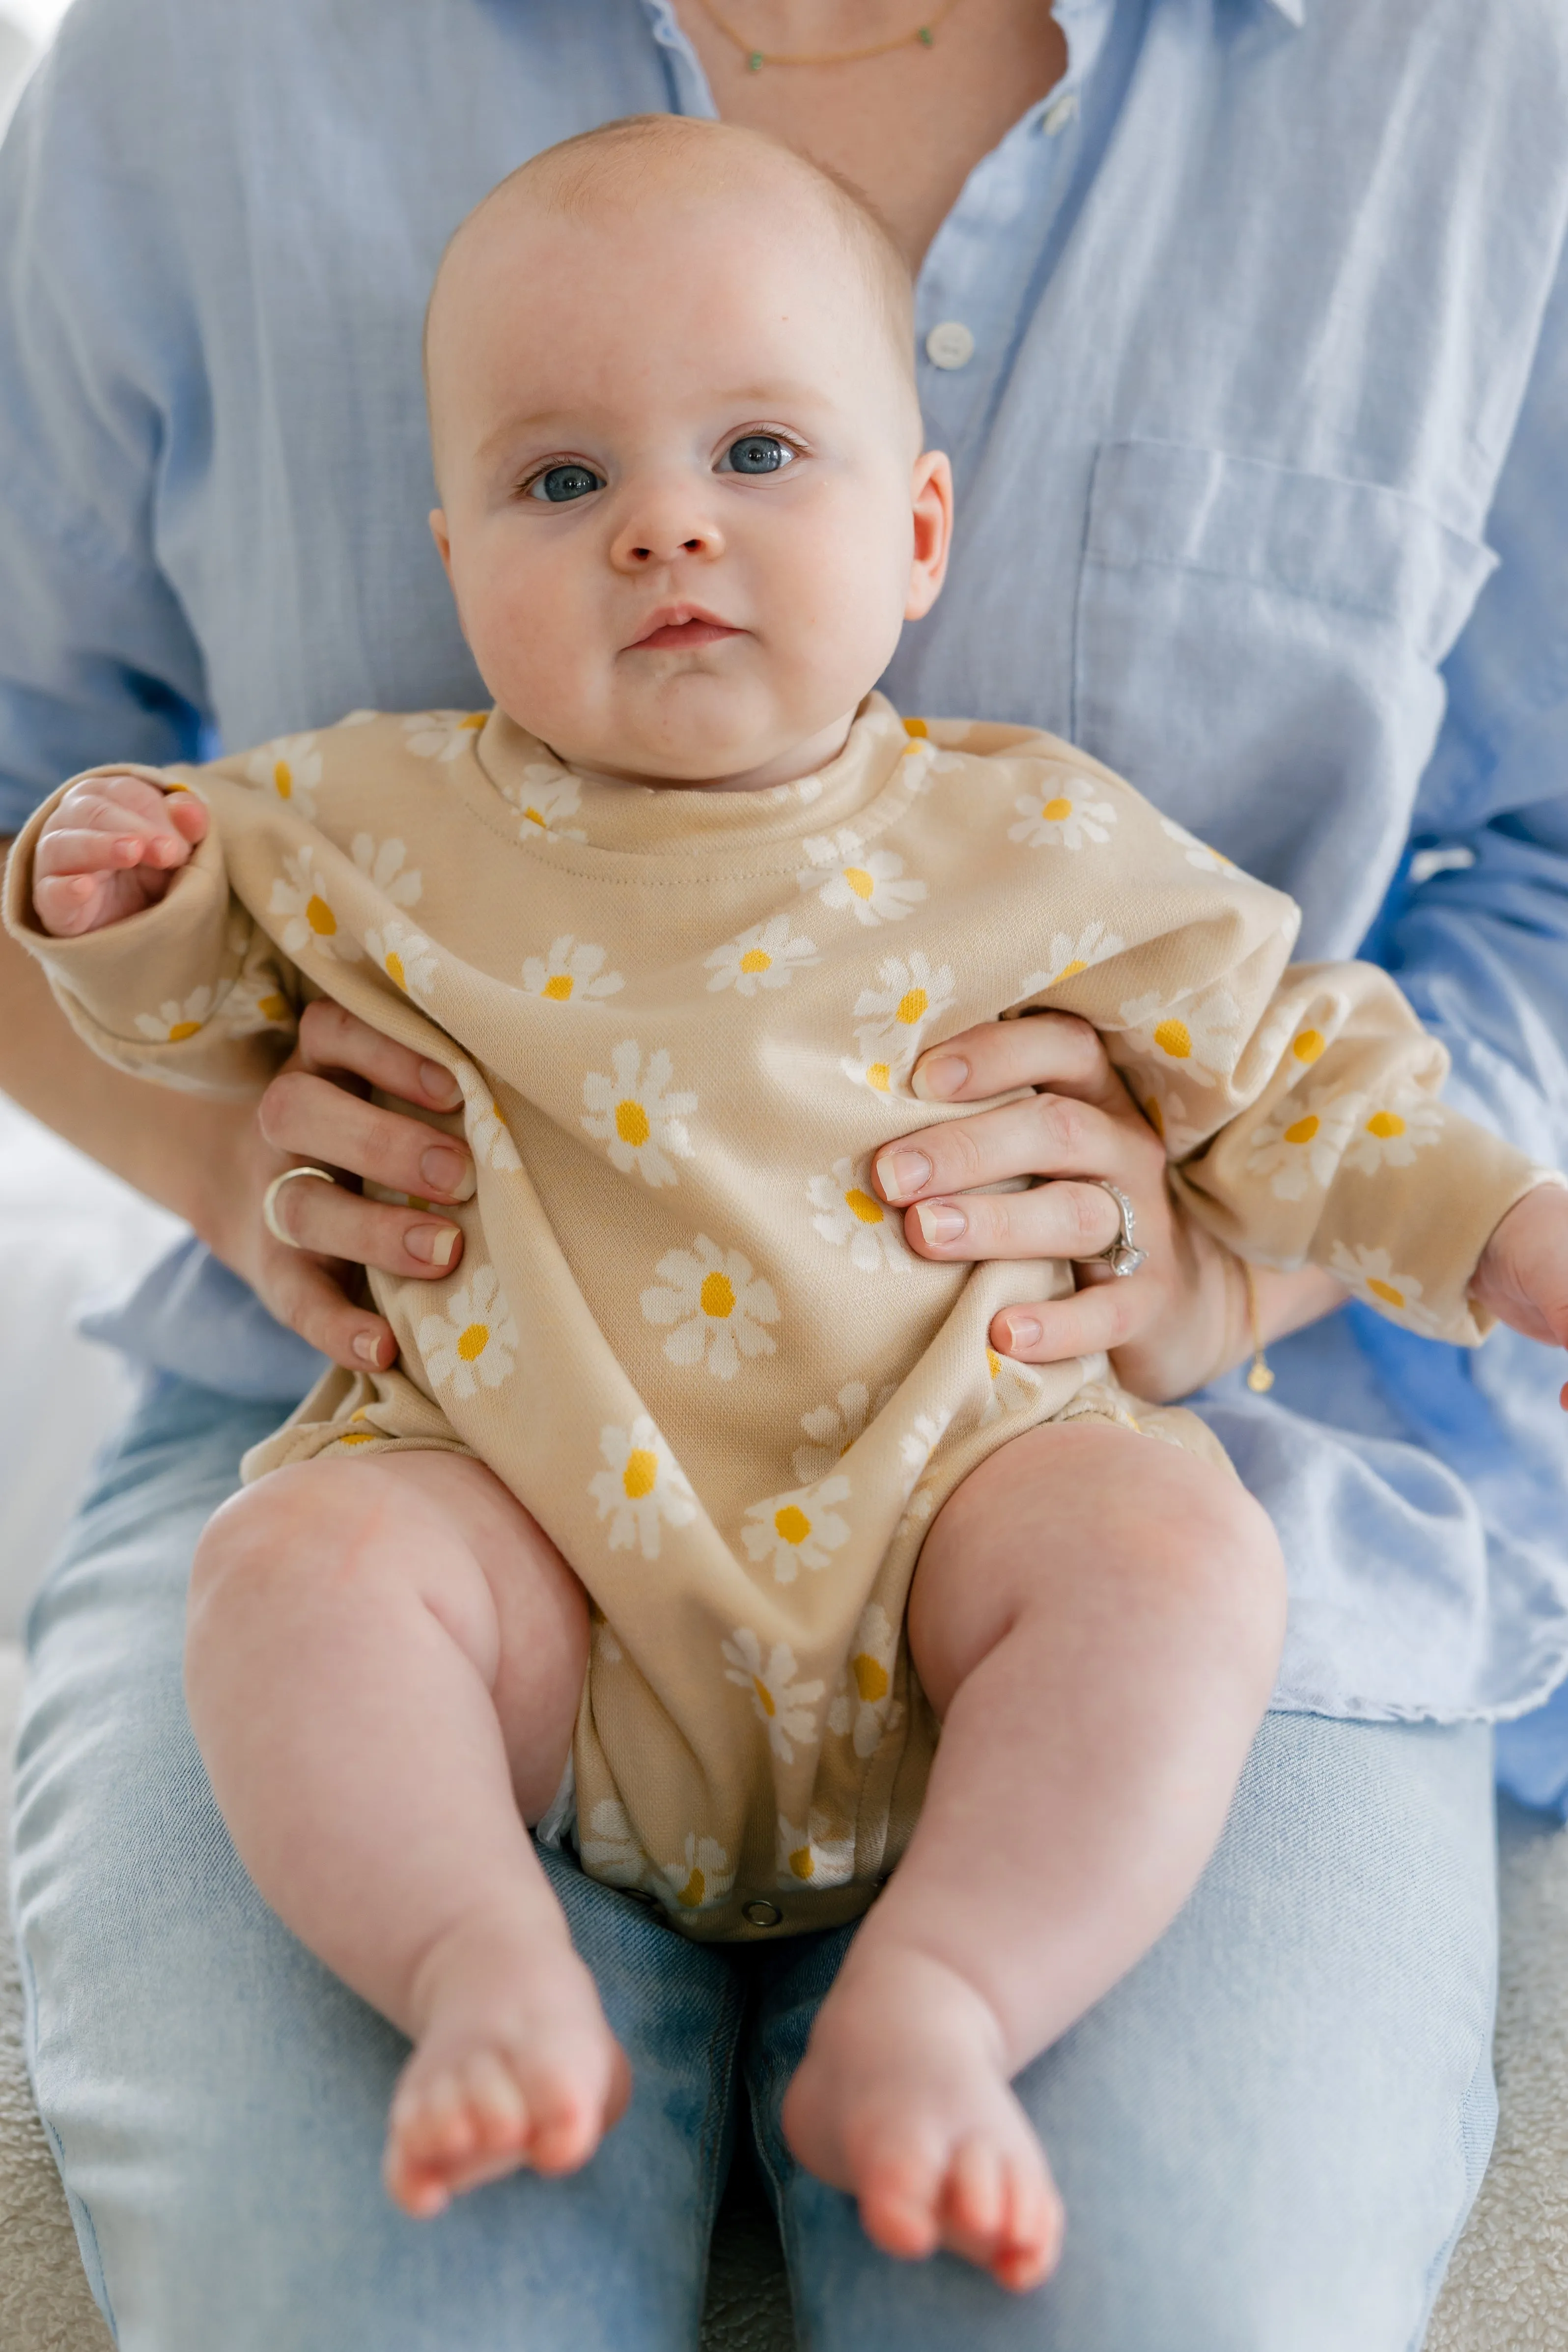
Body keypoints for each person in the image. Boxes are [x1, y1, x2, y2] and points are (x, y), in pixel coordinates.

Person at [2, 4, 1566, 2346]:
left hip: (978, 1482)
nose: (666, 526)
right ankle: (474, 1958)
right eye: (559, 488)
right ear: (454, 554)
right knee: (303, 1577)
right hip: (511, 1497)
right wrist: (115, 913)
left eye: (758, 452)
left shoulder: (1028, 829)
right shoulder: (384, 809)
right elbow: (163, 926)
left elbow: (1305, 1064)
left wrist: (1458, 1240)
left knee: (1169, 1563)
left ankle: (943, 1988)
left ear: (919, 530)